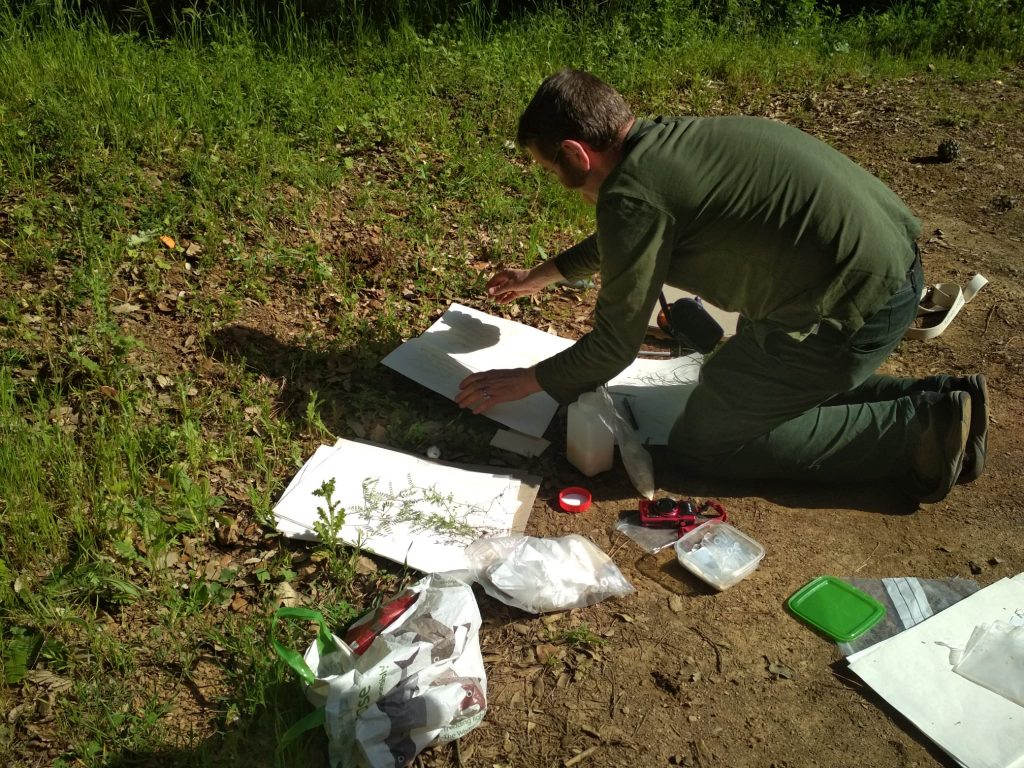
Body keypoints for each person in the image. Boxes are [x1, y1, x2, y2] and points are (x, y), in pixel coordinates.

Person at [454, 68, 987, 503]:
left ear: (575, 153)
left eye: (550, 168)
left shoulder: (633, 195)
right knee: (733, 381)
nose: (557, 180)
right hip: (883, 272)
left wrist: (526, 381)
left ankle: (916, 435)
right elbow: (629, 240)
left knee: (704, 441)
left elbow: (613, 348)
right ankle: (939, 401)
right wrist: (541, 276)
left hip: (850, 310)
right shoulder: (664, 147)